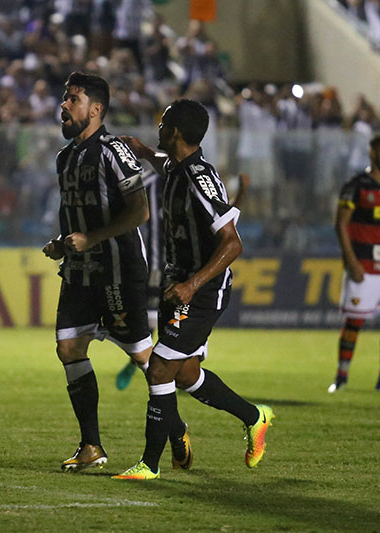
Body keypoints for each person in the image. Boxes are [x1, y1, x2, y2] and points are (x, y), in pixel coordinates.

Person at [111, 99, 273, 480]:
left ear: (175, 133)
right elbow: (164, 164)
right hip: (179, 284)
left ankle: (149, 464)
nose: (158, 127)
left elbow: (233, 243)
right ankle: (254, 416)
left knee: (159, 368)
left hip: (201, 290)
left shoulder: (199, 178)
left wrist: (192, 284)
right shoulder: (178, 166)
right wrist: (143, 150)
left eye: (163, 123)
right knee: (184, 374)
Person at [43, 72, 188, 473]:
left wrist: (91, 238)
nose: (63, 105)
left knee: (144, 358)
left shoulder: (113, 151)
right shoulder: (65, 158)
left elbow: (139, 211)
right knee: (68, 349)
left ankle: (176, 428)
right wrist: (62, 243)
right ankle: (91, 445)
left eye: (73, 99)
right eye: (64, 98)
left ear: (96, 109)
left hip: (118, 272)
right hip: (80, 272)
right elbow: (75, 218)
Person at [114, 171, 249, 391]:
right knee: (149, 324)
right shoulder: (149, 182)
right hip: (155, 266)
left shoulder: (197, 182)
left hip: (187, 273)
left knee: (178, 346)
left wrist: (242, 192)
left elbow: (227, 222)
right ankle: (144, 364)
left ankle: (158, 370)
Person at [328, 136, 380, 393]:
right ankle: (341, 379)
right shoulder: (356, 186)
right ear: (372, 153)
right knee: (355, 322)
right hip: (363, 263)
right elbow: (341, 224)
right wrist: (351, 261)